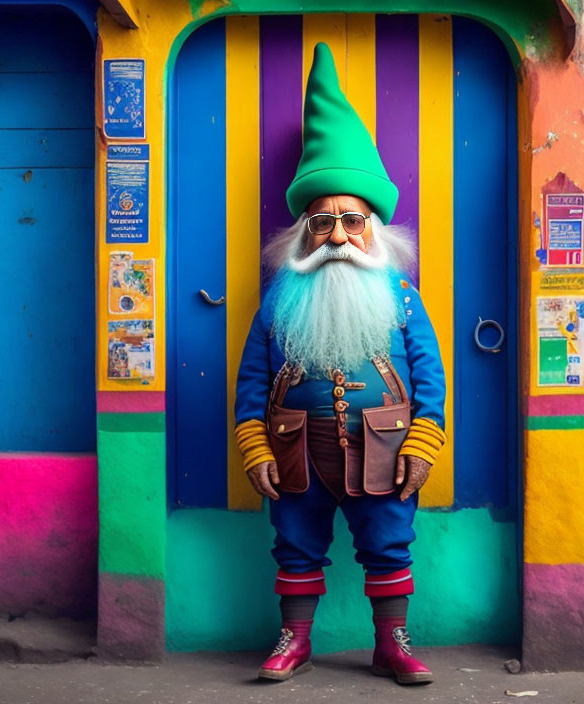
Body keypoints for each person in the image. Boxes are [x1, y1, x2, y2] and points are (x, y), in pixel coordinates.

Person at [234, 42, 446, 686]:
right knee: (295, 541)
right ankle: (293, 640)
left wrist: (424, 439)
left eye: (352, 220)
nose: (336, 234)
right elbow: (250, 381)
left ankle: (392, 643)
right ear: (301, 230)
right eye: (320, 220)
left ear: (375, 229)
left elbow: (429, 377)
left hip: (383, 448)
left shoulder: (402, 299)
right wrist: (255, 448)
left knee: (387, 541)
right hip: (295, 449)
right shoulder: (278, 300)